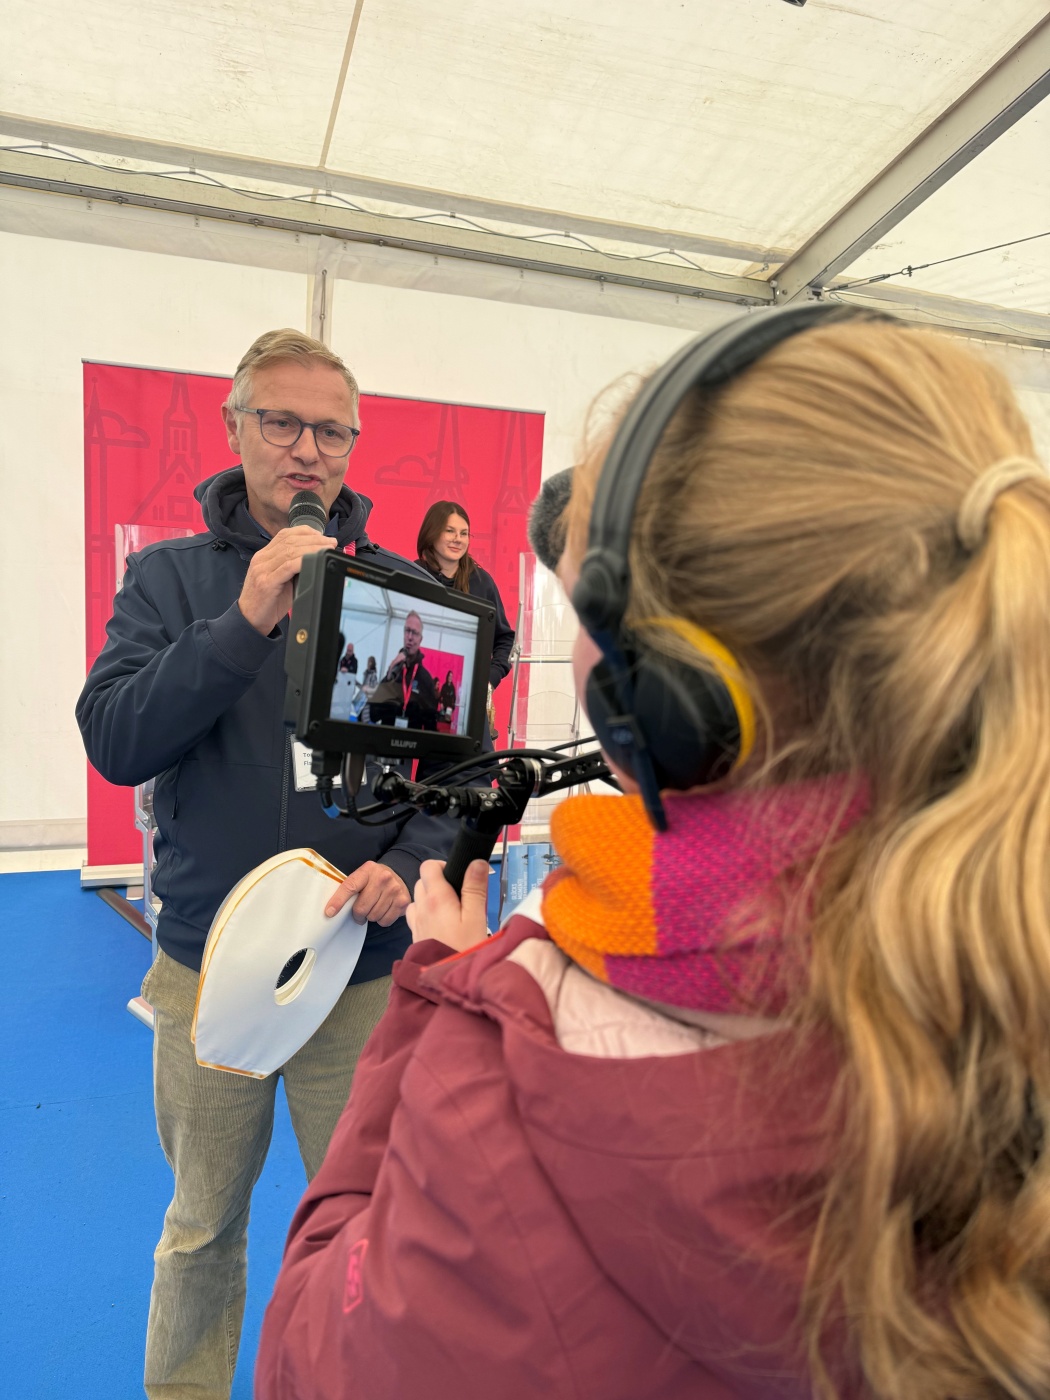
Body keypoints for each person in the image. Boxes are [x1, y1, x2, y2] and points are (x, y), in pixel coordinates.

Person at [255, 315, 1050, 1400]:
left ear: (660, 695)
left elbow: (315, 1358)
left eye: (589, 603)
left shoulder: (499, 1083)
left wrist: (433, 1005)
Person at [76, 328, 456, 1400]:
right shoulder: (166, 580)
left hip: (361, 962)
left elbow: (445, 770)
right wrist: (244, 620)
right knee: (203, 1225)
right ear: (236, 425)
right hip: (211, 966)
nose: (308, 450)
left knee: (375, 1223)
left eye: (331, 429)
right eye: (282, 421)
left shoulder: (398, 588)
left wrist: (412, 857)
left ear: (351, 445)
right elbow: (115, 739)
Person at [415, 500, 515, 733]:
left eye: (464, 533)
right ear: (432, 533)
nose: (458, 539)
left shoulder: (482, 581)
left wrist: (489, 680)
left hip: (466, 703)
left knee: (478, 768)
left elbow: (505, 639)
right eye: (449, 531)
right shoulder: (412, 575)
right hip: (417, 698)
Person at [366, 610, 439, 731]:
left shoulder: (426, 679)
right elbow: (373, 714)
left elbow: (430, 727)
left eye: (415, 633)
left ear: (421, 639)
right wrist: (389, 676)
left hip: (411, 746)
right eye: (407, 631)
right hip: (386, 743)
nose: (410, 637)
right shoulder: (394, 671)